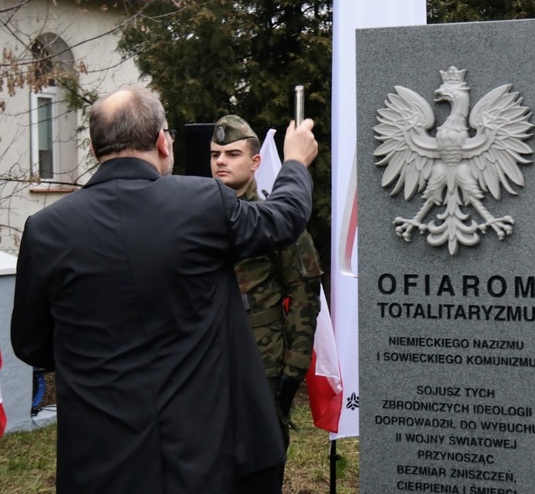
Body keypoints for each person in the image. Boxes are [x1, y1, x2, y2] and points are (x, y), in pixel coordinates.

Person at [10, 86, 318, 494]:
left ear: (94, 148)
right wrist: (294, 162)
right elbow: (284, 218)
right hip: (200, 454)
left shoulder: (45, 230)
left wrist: (92, 354)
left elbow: (31, 344)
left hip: (98, 458)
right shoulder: (204, 202)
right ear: (161, 142)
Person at [210, 115, 322, 482]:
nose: (221, 161)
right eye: (215, 154)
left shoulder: (275, 219)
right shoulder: (197, 217)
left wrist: (294, 366)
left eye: (232, 154)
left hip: (264, 356)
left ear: (255, 162)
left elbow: (305, 292)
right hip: (210, 356)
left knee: (261, 460)